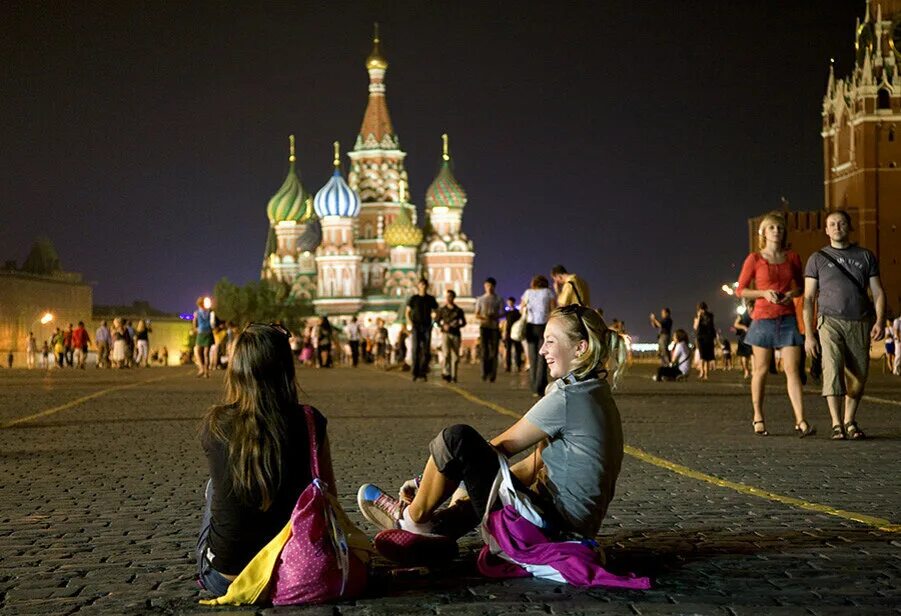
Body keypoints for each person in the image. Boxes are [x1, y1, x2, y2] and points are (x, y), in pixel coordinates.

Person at [357, 305, 627, 559]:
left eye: (551, 341)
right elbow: (531, 466)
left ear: (580, 348)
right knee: (486, 476)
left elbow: (496, 448)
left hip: (551, 531)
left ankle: (411, 519)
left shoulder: (569, 396)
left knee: (456, 439)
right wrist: (452, 483)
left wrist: (430, 482)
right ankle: (437, 531)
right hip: (572, 530)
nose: (542, 349)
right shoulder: (596, 392)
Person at [196, 323, 336, 596]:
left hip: (226, 578)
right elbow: (328, 497)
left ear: (237, 370)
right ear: (286, 369)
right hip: (294, 570)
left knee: (215, 487)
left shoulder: (216, 424)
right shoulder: (310, 421)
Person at [803, 210, 885, 440]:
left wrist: (879, 320)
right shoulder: (817, 258)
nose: (837, 227)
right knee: (832, 367)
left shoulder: (865, 256)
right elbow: (808, 299)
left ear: (849, 227)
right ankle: (836, 423)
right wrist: (809, 334)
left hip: (859, 321)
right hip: (829, 321)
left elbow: (877, 291)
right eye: (832, 224)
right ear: (826, 230)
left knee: (859, 377)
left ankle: (850, 420)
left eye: (841, 223)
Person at [737, 211, 814, 437]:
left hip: (787, 318)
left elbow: (800, 286)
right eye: (771, 228)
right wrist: (763, 293)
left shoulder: (792, 257)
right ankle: (758, 416)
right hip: (762, 319)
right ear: (763, 233)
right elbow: (740, 289)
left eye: (779, 228)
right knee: (760, 370)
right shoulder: (755, 259)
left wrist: (791, 294)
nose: (776, 231)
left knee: (793, 371)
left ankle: (800, 420)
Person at [521, 275, 557, 397]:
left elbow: (522, 308)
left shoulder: (527, 292)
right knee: (542, 357)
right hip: (543, 327)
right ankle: (540, 387)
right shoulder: (548, 292)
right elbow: (553, 309)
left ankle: (533, 386)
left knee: (532, 358)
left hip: (530, 327)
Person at [406, 278, 438, 382]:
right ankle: (415, 373)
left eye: (424, 285)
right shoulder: (414, 299)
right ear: (418, 286)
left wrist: (434, 320)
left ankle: (423, 372)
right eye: (421, 284)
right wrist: (410, 323)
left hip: (427, 327)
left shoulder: (430, 299)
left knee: (426, 351)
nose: (423, 286)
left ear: (427, 286)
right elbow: (407, 312)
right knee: (415, 350)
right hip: (416, 326)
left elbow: (436, 311)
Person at [474, 277, 504, 383]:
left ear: (494, 287)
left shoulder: (498, 299)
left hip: (494, 327)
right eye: (487, 286)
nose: (489, 288)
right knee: (484, 351)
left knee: (494, 351)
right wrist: (484, 317)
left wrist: (495, 316)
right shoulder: (480, 299)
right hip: (484, 326)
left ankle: (492, 374)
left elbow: (502, 313)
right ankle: (484, 373)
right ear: (484, 286)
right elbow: (476, 314)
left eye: (491, 286)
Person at [436, 289, 466, 383]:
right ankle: (446, 373)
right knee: (446, 354)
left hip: (456, 334)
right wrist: (442, 326)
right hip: (445, 333)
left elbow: (464, 322)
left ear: (453, 298)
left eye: (450, 297)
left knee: (455, 356)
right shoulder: (442, 310)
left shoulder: (459, 310)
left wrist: (457, 325)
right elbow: (437, 321)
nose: (448, 298)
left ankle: (454, 375)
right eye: (447, 297)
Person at [691, 303, 716, 380]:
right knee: (702, 356)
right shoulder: (697, 316)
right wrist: (699, 317)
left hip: (709, 337)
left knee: (708, 357)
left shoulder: (710, 315)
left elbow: (711, 325)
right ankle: (702, 372)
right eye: (701, 309)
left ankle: (706, 374)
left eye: (704, 309)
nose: (703, 311)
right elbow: (695, 327)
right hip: (700, 337)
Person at [193, 298, 214, 378]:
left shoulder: (197, 312)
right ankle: (206, 372)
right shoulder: (209, 311)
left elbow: (194, 323)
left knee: (197, 351)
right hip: (208, 331)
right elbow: (213, 322)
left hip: (201, 332)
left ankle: (201, 368)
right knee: (206, 354)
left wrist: (195, 329)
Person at [502, 297, 523, 373]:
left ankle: (518, 365)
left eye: (510, 302)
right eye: (508, 302)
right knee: (508, 350)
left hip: (516, 333)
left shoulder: (518, 312)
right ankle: (508, 366)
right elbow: (505, 322)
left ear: (513, 302)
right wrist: (504, 333)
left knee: (518, 350)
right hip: (508, 333)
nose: (509, 303)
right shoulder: (507, 313)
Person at [733, 305, 753, 379]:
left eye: (753, 307)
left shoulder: (756, 315)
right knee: (744, 356)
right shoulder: (742, 315)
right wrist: (744, 327)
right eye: (750, 307)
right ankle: (746, 370)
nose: (751, 309)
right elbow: (735, 324)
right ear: (747, 307)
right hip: (743, 338)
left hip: (753, 338)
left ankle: (754, 371)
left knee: (753, 354)